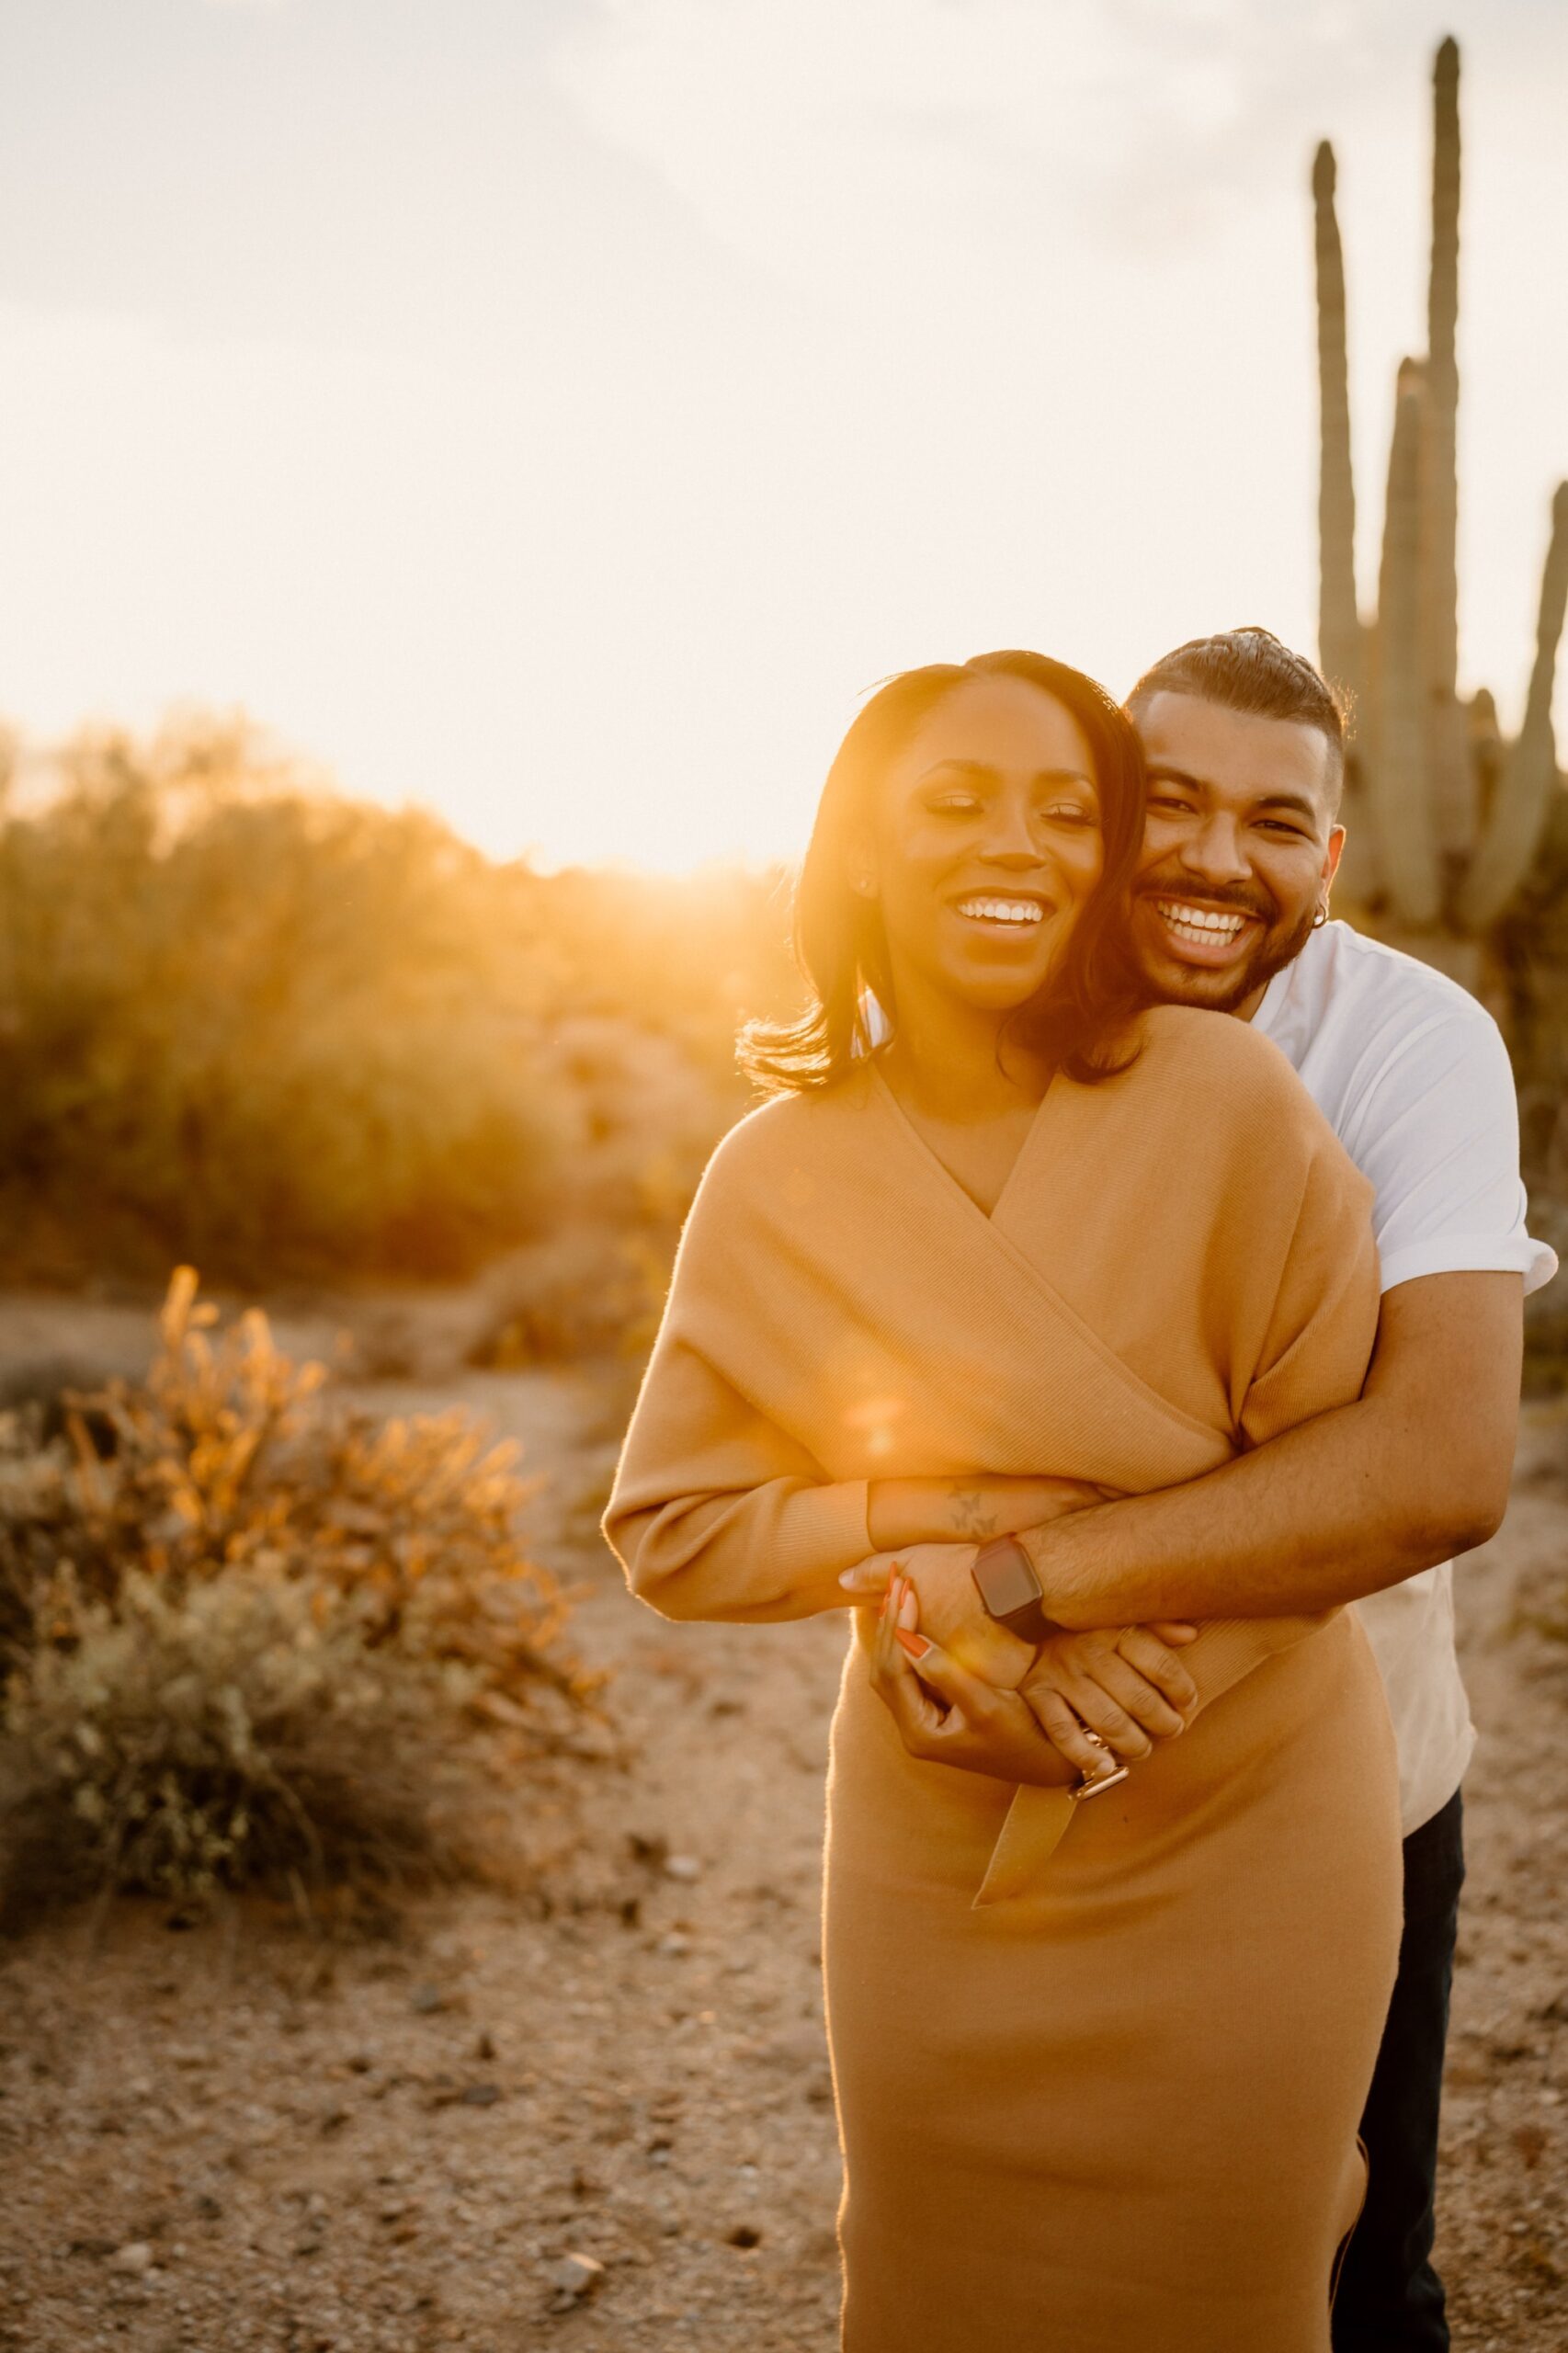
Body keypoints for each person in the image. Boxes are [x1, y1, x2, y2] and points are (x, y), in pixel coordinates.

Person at [604, 649, 1403, 2353]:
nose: (1015, 846)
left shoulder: (1228, 1101)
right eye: (954, 803)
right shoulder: (770, 1172)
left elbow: (1335, 1487)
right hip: (936, 1845)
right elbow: (674, 1529)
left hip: (1247, 1818)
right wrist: (929, 1529)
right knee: (934, 2289)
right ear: (865, 849)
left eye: (1064, 811)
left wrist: (1094, 1676)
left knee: (1237, 2298)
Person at [843, 629, 1557, 2353]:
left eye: (1274, 822)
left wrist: (1030, 1587)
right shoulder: (949, 999)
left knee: (1342, 2267)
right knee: (1001, 2262)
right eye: (1167, 804)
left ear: (1329, 855)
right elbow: (848, 1407)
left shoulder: (1405, 1043)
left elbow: (1439, 1468)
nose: (1216, 863)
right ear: (1099, 812)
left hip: (1346, 1780)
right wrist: (973, 1647)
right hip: (985, 1762)